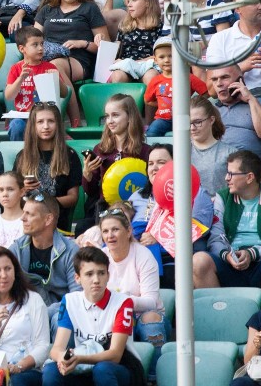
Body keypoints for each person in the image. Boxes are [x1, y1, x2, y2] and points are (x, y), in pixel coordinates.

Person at [43, 247, 138, 386]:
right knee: (51, 370)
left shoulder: (123, 302)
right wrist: (63, 359)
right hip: (83, 367)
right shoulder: (69, 301)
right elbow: (56, 349)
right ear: (77, 278)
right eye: (89, 274)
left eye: (101, 273)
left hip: (120, 368)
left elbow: (115, 355)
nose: (96, 280)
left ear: (108, 276)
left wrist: (80, 359)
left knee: (102, 369)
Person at [128, 144, 214, 289]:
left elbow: (198, 229)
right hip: (134, 255)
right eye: (150, 163)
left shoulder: (197, 193)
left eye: (161, 162)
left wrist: (159, 237)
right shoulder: (137, 196)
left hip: (172, 260)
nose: (154, 167)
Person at [34, 0, 109, 121]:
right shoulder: (47, 10)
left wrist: (83, 43)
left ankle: (75, 122)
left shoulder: (89, 9)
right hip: (46, 57)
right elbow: (33, 40)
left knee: (54, 68)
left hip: (79, 59)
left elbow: (107, 49)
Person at [0, 247, 51, 386]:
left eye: (8, 269)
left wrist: (19, 367)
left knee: (15, 382)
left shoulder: (33, 300)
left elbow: (43, 346)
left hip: (25, 371)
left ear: (15, 272)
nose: (4, 275)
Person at [100, 207, 166, 365]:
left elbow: (150, 302)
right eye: (105, 231)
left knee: (151, 319)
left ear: (128, 231)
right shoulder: (100, 256)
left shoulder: (143, 255)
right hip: (112, 318)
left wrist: (119, 301)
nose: (110, 236)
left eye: (115, 229)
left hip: (141, 316)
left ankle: (153, 377)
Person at [194, 149, 261, 288]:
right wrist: (226, 255)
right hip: (231, 261)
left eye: (231, 174)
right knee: (198, 261)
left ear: (249, 177)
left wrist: (253, 253)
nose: (226, 178)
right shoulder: (223, 197)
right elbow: (216, 237)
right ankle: (217, 308)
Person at [81, 94, 150, 229]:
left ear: (130, 117)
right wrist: (87, 176)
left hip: (137, 210)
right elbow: (91, 192)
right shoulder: (100, 149)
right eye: (107, 116)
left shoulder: (145, 151)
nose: (110, 121)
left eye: (115, 115)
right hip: (106, 210)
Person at [10, 192, 80, 317]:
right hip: (25, 312)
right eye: (24, 212)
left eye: (30, 214)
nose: (22, 218)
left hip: (60, 313)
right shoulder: (17, 248)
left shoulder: (71, 251)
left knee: (59, 321)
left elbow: (76, 295)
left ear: (48, 219)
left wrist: (43, 314)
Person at [15, 104, 82, 231]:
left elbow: (73, 198)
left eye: (51, 121)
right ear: (33, 126)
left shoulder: (69, 155)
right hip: (25, 220)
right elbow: (14, 195)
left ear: (58, 124)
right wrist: (23, 189)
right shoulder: (22, 156)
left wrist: (44, 205)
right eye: (40, 122)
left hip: (55, 220)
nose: (46, 126)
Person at [4, 26, 62, 141]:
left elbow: (65, 93)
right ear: (22, 49)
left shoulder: (50, 67)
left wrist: (56, 79)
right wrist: (21, 78)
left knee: (49, 125)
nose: (40, 48)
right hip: (23, 117)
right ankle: (20, 157)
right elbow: (9, 96)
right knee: (16, 126)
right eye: (35, 45)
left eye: (42, 44)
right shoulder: (16, 69)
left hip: (45, 115)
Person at [145, 36, 208, 136]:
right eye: (162, 57)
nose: (166, 60)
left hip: (185, 118)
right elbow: (148, 100)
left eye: (171, 56)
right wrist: (163, 104)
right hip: (162, 119)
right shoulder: (155, 81)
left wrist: (192, 103)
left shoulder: (188, 77)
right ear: (155, 60)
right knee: (151, 134)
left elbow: (206, 93)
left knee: (188, 137)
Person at [106, 0, 163, 85]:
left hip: (149, 66)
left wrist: (136, 63)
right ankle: (121, 101)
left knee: (151, 76)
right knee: (117, 76)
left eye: (134, 0)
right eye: (128, 0)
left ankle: (150, 101)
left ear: (148, 2)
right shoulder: (124, 25)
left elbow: (160, 55)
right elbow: (116, 50)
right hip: (127, 67)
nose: (129, 4)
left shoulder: (160, 27)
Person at [207, 65, 261, 161]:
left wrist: (251, 99)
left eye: (224, 77)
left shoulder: (260, 103)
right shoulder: (211, 111)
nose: (219, 84)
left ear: (240, 81)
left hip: (250, 168)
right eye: (214, 79)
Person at [207, 1, 261, 90]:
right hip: (237, 99)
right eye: (254, 2)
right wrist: (239, 69)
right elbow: (211, 90)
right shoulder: (220, 39)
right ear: (237, 8)